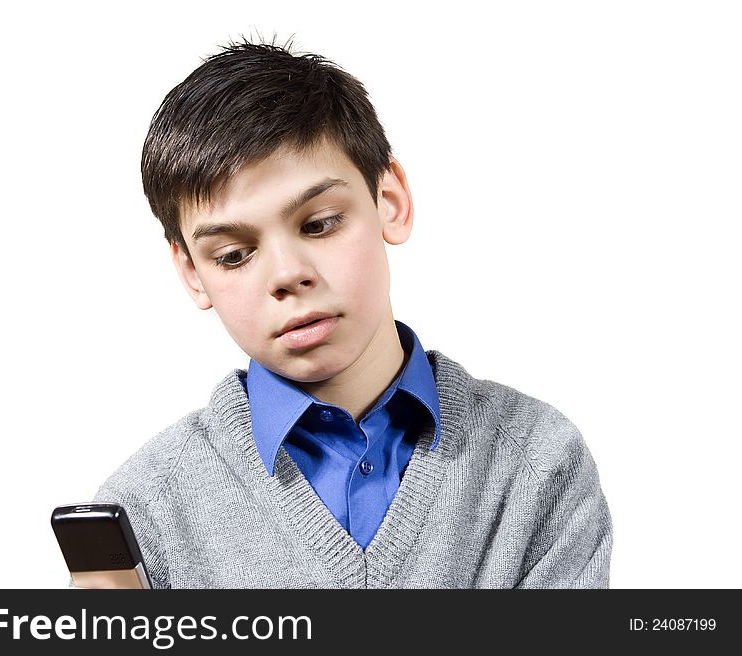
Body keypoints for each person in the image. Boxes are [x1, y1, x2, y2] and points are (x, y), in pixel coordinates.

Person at [88, 37, 613, 588]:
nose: (287, 273)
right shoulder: (144, 512)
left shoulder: (536, 459)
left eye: (318, 224)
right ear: (193, 272)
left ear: (390, 201)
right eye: (234, 255)